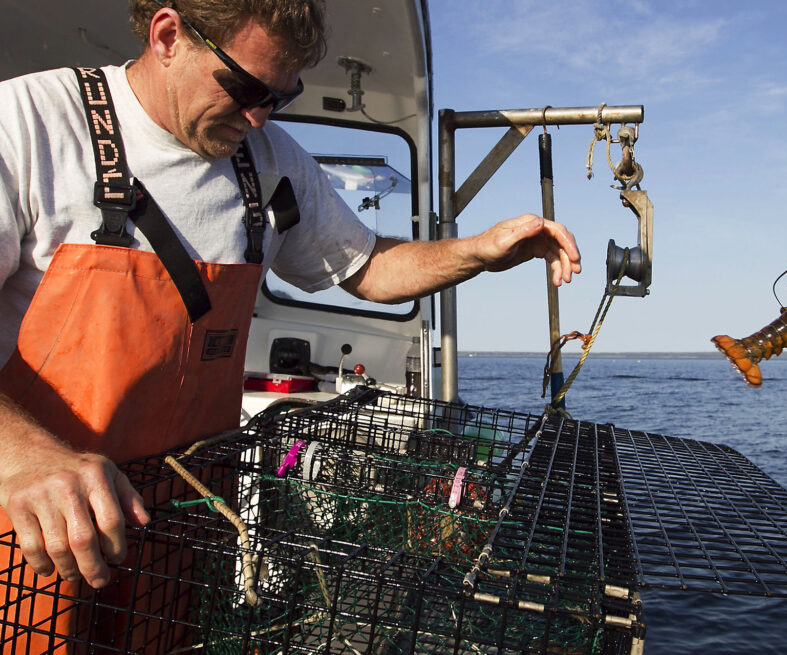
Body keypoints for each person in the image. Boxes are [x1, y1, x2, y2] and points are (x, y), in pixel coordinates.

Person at [0, 0, 580, 632]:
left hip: (181, 531)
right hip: (31, 532)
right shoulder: (31, 125)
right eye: (245, 87)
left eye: (280, 96)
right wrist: (26, 459)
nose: (258, 115)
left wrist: (477, 253)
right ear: (169, 36)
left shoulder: (271, 162)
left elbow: (368, 267)